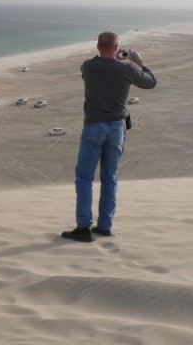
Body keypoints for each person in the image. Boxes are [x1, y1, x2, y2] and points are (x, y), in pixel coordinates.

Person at [62, 32, 157, 242]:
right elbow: (151, 82)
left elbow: (100, 71)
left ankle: (84, 227)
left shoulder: (88, 66)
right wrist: (138, 62)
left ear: (97, 46)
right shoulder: (128, 68)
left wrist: (114, 60)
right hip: (117, 128)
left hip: (94, 127)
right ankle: (105, 226)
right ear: (117, 48)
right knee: (110, 176)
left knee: (85, 177)